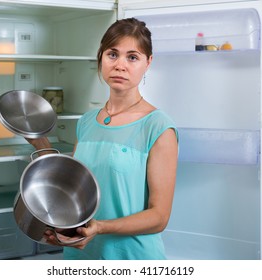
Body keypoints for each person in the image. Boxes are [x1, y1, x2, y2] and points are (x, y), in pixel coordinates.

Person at [27, 18, 179, 260]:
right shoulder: (87, 121)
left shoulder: (158, 127)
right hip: (80, 257)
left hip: (131, 257)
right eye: (112, 54)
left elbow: (159, 217)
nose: (120, 65)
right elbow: (72, 190)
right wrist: (39, 142)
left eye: (132, 57)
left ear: (148, 63)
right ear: (101, 58)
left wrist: (100, 228)